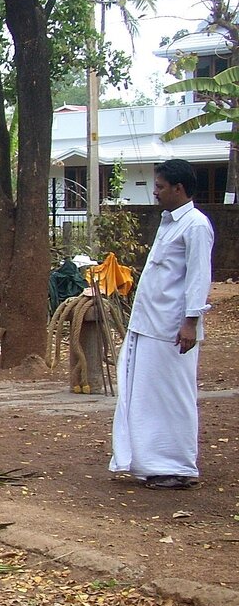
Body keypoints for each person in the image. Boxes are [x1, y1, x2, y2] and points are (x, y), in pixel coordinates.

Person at [110, 159, 214, 490]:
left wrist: (190, 323)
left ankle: (179, 466)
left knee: (173, 396)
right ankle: (150, 461)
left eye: (159, 187)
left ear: (178, 189)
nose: (154, 193)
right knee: (145, 396)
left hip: (172, 329)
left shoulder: (195, 225)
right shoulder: (168, 222)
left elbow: (198, 278)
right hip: (147, 324)